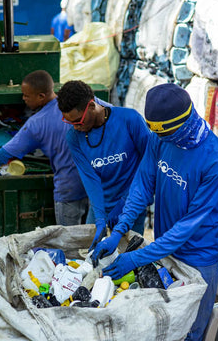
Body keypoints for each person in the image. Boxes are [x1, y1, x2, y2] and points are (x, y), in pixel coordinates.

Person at [92, 83, 218, 341]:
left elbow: (187, 227)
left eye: (165, 134)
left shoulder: (216, 159)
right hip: (164, 247)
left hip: (199, 254)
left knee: (193, 329)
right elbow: (143, 185)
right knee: (168, 325)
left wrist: (136, 257)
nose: (160, 139)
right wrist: (118, 231)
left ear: (182, 122)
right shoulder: (160, 139)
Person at [0, 70, 89, 225]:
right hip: (96, 183)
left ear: (41, 96)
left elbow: (2, 155)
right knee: (95, 236)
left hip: (69, 189)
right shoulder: (82, 105)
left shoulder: (37, 123)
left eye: (26, 95)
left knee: (68, 239)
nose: (23, 99)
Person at [57, 80, 150, 254]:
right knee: (90, 255)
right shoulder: (74, 138)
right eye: (71, 123)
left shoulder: (129, 120)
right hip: (100, 204)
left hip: (133, 202)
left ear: (92, 106)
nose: (76, 127)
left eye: (78, 121)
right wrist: (100, 217)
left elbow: (149, 164)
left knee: (127, 256)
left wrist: (124, 202)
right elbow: (90, 179)